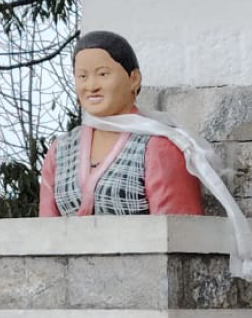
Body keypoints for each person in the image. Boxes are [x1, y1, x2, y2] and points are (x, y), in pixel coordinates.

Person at [39, 30, 204, 216]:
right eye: (82, 76)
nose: (91, 86)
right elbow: (46, 232)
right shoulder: (61, 150)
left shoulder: (159, 147)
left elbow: (178, 234)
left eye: (102, 74)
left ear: (134, 79)